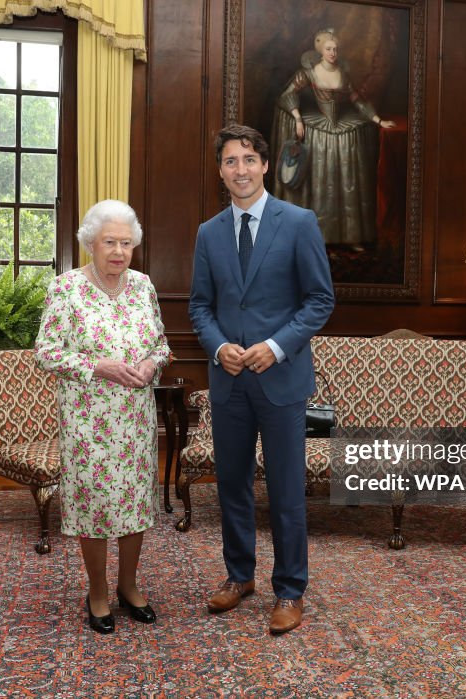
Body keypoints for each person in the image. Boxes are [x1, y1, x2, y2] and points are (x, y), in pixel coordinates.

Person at [189, 124, 335, 634]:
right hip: (228, 382)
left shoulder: (298, 222)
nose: (241, 169)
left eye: (249, 159)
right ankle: (238, 577)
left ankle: (290, 590)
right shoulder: (209, 233)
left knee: (287, 490)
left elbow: (320, 300)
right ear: (220, 171)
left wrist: (274, 347)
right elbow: (201, 307)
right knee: (231, 485)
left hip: (282, 380)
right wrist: (218, 346)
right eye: (231, 161)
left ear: (266, 165)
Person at [36, 199, 170, 635]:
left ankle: (129, 586)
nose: (118, 251)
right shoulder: (66, 288)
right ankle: (97, 591)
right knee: (93, 506)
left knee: (133, 505)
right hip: (87, 421)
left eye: (126, 243)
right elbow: (47, 351)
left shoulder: (144, 285)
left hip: (135, 422)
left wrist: (152, 363)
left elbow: (162, 343)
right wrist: (98, 366)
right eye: (110, 242)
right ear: (90, 243)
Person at [272, 28, 396, 248]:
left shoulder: (343, 74)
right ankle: (312, 237)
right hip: (318, 130)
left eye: (335, 49)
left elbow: (358, 101)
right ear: (320, 50)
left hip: (339, 128)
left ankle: (349, 236)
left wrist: (378, 120)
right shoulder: (309, 72)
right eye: (329, 49)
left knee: (343, 180)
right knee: (319, 181)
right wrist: (297, 117)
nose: (333, 53)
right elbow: (287, 94)